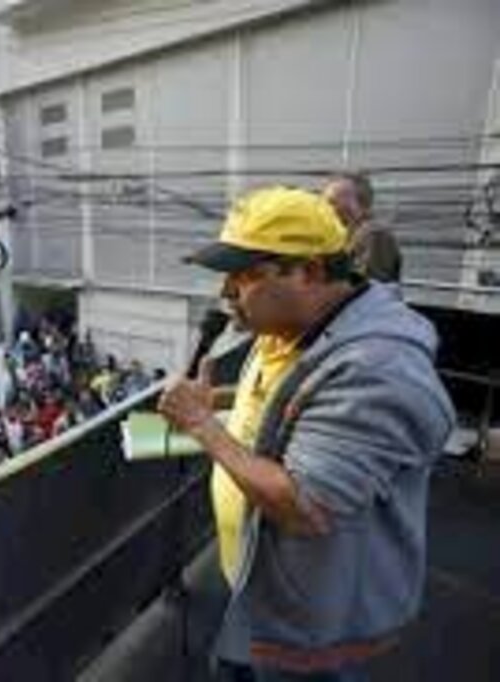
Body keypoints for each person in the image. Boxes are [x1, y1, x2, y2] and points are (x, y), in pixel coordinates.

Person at [160, 186, 455, 681]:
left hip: (309, 623)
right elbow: (288, 400)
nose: (226, 292)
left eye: (246, 273)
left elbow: (308, 507)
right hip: (261, 582)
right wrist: (220, 400)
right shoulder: (287, 326)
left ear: (312, 272)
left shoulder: (376, 370)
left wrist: (201, 425)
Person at [322, 172, 402, 283]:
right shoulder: (348, 233)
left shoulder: (373, 234)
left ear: (359, 202)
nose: (326, 207)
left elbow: (371, 286)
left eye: (333, 201)